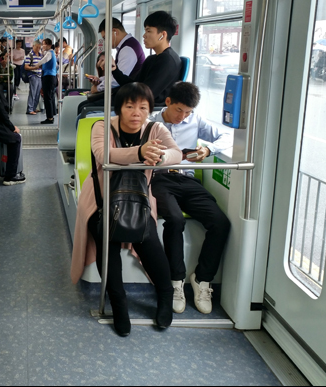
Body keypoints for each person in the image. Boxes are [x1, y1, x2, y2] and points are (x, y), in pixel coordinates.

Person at [71, 83, 181, 336]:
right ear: (119, 108)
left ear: (150, 110)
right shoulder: (103, 126)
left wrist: (160, 157)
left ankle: (165, 295)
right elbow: (103, 155)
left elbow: (176, 153)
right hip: (102, 199)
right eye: (129, 106)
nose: (136, 113)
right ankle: (119, 304)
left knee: (150, 242)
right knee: (105, 246)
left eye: (143, 107)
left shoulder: (155, 129)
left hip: (139, 200)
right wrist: (140, 152)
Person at [149, 82, 232, 314]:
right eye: (179, 110)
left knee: (220, 223)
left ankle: (201, 279)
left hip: (187, 179)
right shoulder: (152, 124)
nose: (182, 117)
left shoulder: (195, 122)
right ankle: (176, 281)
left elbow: (227, 136)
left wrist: (207, 150)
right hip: (160, 179)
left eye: (188, 112)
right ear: (168, 103)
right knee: (175, 220)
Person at [30, 38, 57, 124]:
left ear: (49, 45)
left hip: (49, 77)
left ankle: (50, 118)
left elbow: (44, 60)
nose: (43, 46)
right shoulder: (51, 53)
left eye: (44, 44)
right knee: (50, 96)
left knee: (47, 97)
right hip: (52, 76)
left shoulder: (49, 53)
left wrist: (37, 65)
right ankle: (52, 114)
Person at [24, 41, 44, 115]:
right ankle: (29, 109)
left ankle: (34, 108)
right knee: (33, 92)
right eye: (37, 47)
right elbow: (26, 67)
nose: (38, 49)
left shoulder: (40, 55)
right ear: (33, 46)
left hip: (39, 75)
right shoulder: (30, 55)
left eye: (39, 47)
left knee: (37, 93)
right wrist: (34, 67)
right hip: (33, 75)